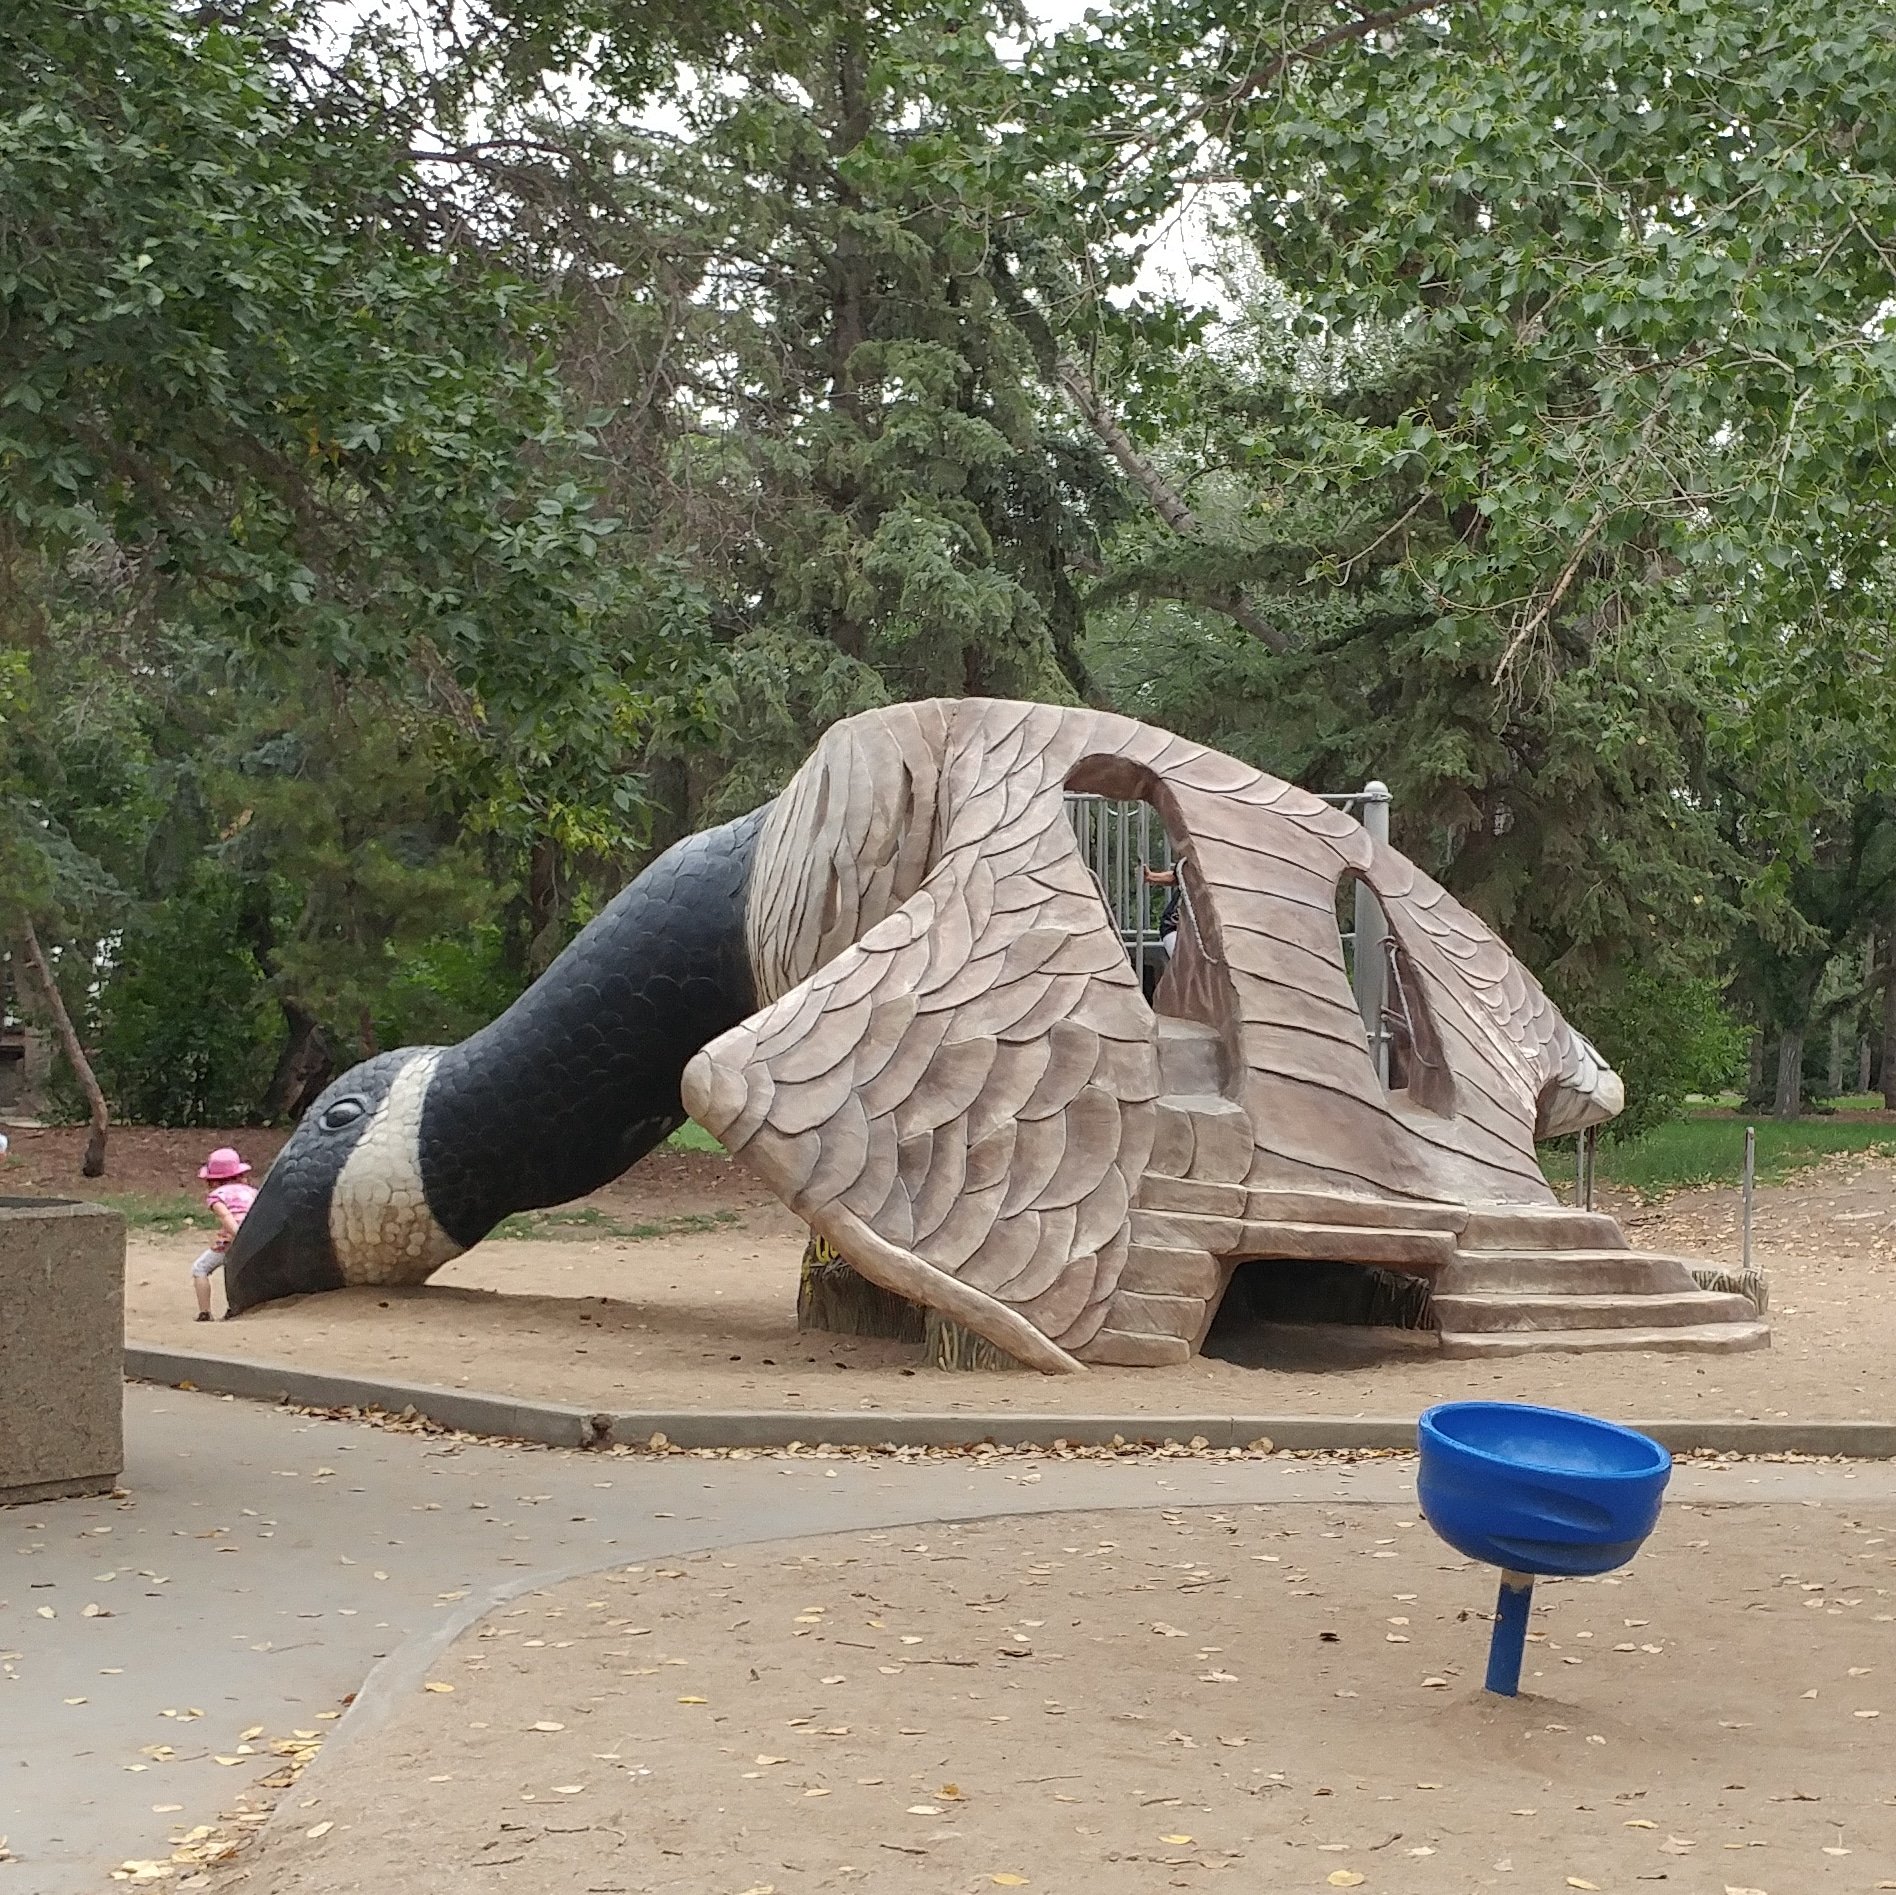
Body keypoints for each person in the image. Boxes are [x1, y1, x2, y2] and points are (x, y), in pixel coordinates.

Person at [191, 1147, 256, 1320]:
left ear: (213, 1181)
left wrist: (238, 1236)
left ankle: (205, 1312)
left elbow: (225, 1216)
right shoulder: (252, 1192)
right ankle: (239, 1308)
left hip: (233, 1239)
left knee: (200, 1268)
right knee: (242, 1272)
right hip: (254, 1236)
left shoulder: (217, 1196)